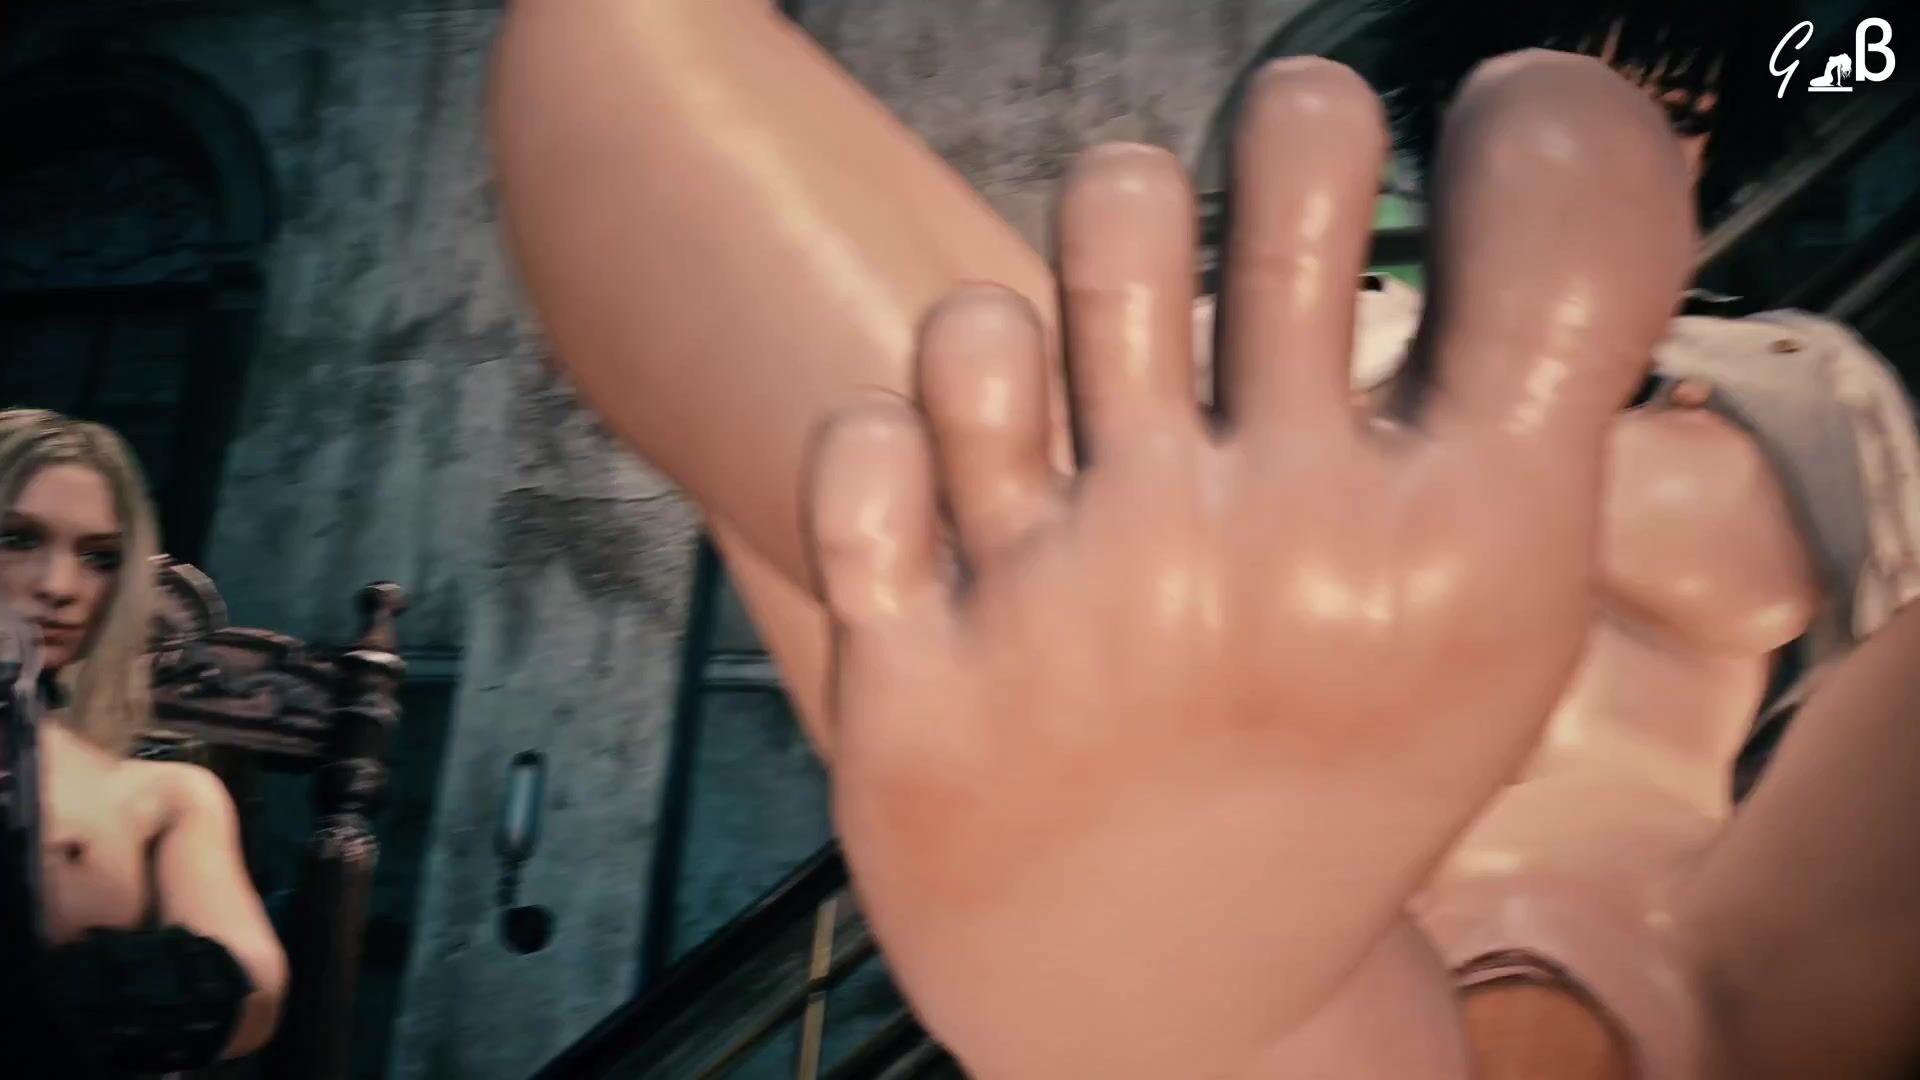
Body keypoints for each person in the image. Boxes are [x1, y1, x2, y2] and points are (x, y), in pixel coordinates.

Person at [486, 1, 1920, 1074]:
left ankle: (1175, 975)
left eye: (1678, 112)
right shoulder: (1267, 343)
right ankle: (1181, 966)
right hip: (1277, 917)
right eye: (1586, 78)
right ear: (1447, 116)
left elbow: (1857, 667)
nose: (1632, 141)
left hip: (1684, 940)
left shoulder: (1801, 384)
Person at [0, 408, 287, 1073]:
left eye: (100, 557)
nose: (60, 587)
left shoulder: (164, 797)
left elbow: (254, 991)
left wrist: (74, 1000)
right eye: (17, 538)